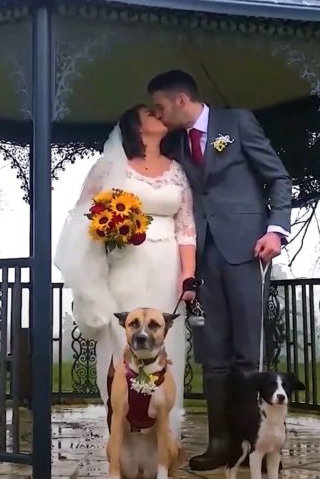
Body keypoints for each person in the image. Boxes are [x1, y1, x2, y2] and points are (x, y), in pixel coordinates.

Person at [147, 69, 292, 471]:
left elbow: (278, 178)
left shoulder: (238, 122)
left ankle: (251, 444)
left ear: (181, 100)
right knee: (213, 358)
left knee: (247, 355)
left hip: (247, 250)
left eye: (160, 106)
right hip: (202, 257)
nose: (159, 115)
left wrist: (276, 230)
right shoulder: (176, 142)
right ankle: (219, 444)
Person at [55, 105, 197, 436]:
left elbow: (186, 226)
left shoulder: (177, 170)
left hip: (167, 268)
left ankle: (162, 432)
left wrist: (188, 273)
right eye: (150, 112)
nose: (159, 114)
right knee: (122, 340)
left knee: (165, 339)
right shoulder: (109, 168)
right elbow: (84, 216)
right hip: (125, 266)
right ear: (135, 125)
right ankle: (121, 427)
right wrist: (109, 228)